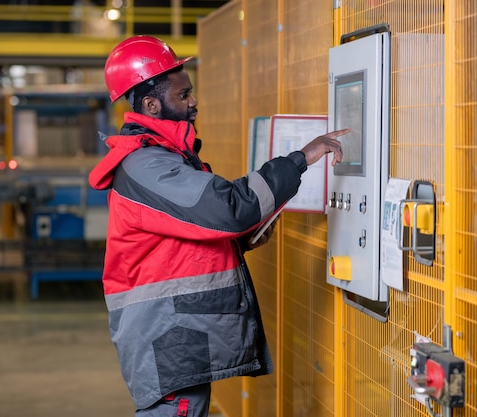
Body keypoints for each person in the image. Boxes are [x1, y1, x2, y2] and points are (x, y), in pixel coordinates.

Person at [88, 35, 348, 417]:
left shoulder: (165, 157)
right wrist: (300, 159)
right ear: (150, 103)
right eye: (184, 95)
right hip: (169, 336)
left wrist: (241, 239)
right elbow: (227, 208)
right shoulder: (148, 165)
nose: (193, 102)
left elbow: (182, 239)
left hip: (175, 329)